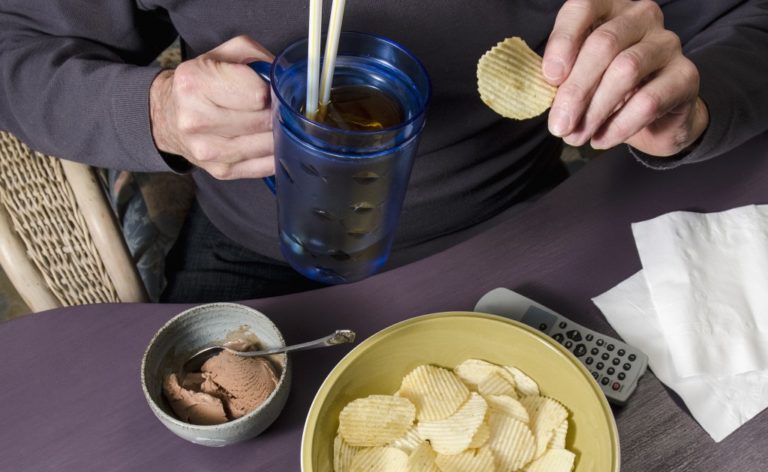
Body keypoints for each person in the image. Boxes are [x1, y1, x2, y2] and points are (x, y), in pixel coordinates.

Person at [1, 0, 766, 302]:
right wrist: (154, 112)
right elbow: (18, 49)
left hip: (525, 225)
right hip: (256, 256)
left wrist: (692, 105)